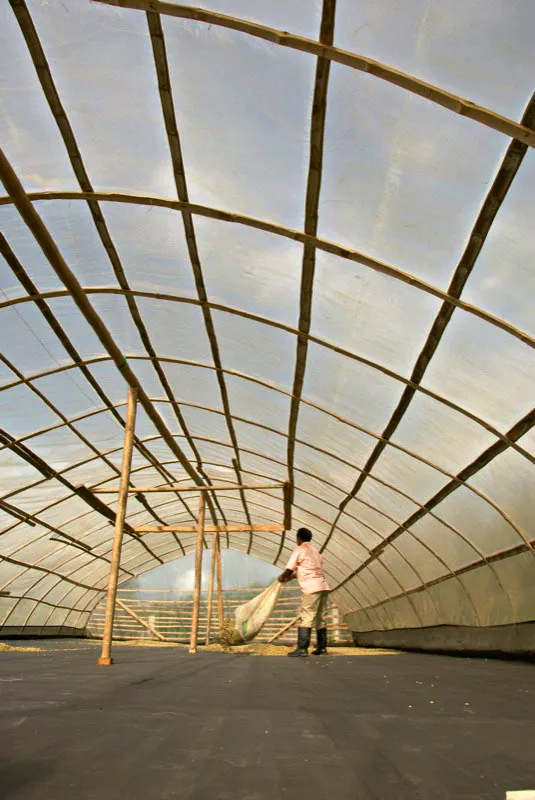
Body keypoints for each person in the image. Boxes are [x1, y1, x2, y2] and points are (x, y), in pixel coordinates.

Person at [278, 528, 330, 657]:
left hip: (311, 588)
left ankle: (302, 649)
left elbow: (290, 568)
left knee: (307, 616)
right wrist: (293, 576)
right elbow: (310, 569)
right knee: (320, 618)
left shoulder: (299, 550)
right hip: (322, 587)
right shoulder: (316, 552)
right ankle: (322, 648)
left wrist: (283, 576)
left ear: (299, 538)